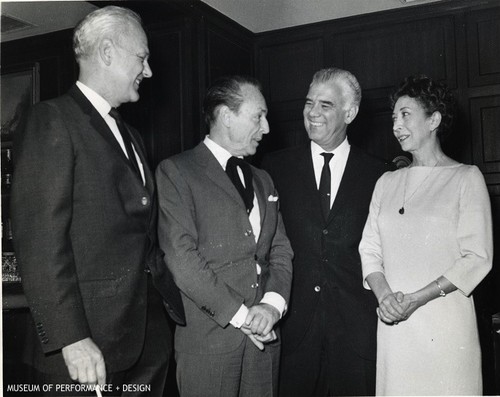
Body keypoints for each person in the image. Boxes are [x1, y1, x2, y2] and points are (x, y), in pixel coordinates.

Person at [11, 6, 183, 396]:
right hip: (87, 349)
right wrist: (70, 338)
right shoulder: (52, 119)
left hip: (144, 339)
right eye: (142, 57)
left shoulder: (132, 135)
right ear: (107, 51)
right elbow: (40, 242)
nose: (149, 70)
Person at [156, 75, 293, 397]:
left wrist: (271, 307)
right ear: (227, 115)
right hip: (209, 345)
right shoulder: (176, 172)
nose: (267, 127)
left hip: (265, 342)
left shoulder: (263, 179)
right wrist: (245, 317)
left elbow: (280, 250)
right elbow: (181, 258)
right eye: (258, 116)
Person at [359, 75, 493, 395]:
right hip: (396, 324)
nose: (396, 125)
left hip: (446, 325)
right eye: (394, 117)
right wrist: (386, 299)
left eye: (405, 114)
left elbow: (477, 258)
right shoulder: (386, 183)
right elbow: (369, 249)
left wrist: (417, 299)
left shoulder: (466, 178)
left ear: (433, 119)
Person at [261, 67, 391, 396]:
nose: (312, 113)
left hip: (357, 332)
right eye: (308, 103)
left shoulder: (381, 174)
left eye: (326, 105)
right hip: (293, 332)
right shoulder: (274, 168)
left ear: (350, 112)